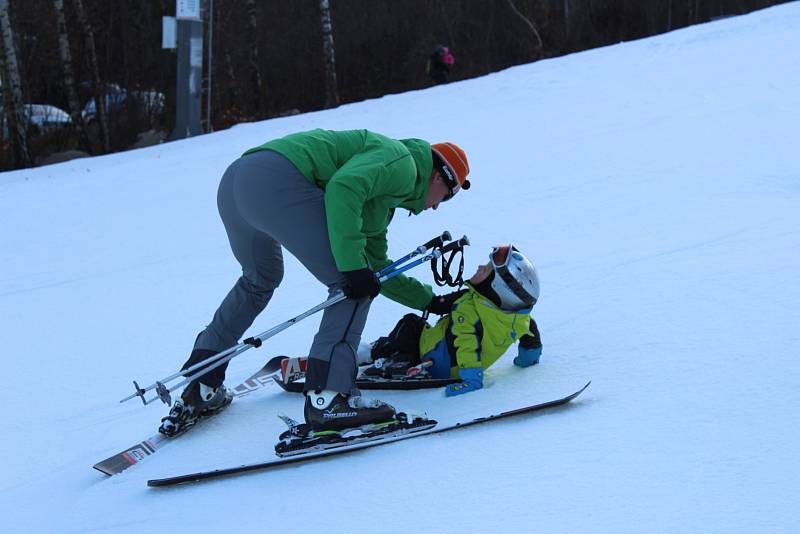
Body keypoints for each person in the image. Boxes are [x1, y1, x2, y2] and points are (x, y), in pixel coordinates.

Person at [159, 129, 471, 436]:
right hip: (277, 179)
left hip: (237, 182)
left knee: (260, 279)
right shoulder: (403, 164)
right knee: (350, 290)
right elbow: (344, 187)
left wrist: (430, 301)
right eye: (446, 196)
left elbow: (377, 268)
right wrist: (351, 269)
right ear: (438, 177)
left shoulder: (383, 198)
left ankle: (203, 383)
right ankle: (330, 399)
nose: (436, 207)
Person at [359, 245, 541, 396]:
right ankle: (390, 354)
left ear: (495, 287)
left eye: (485, 269)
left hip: (437, 362)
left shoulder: (467, 310)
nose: (479, 267)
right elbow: (530, 339)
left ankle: (384, 358)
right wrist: (528, 359)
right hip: (447, 356)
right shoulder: (519, 319)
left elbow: (466, 343)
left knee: (410, 325)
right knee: (417, 329)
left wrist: (471, 379)